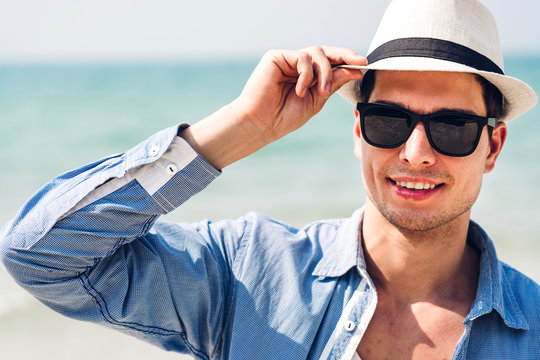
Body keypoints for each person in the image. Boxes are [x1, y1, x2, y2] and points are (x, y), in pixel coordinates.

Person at [1, 0, 538, 359]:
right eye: (389, 122)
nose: (416, 153)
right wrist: (241, 128)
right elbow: (39, 255)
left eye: (452, 128)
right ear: (358, 130)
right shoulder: (247, 272)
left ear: (492, 146)